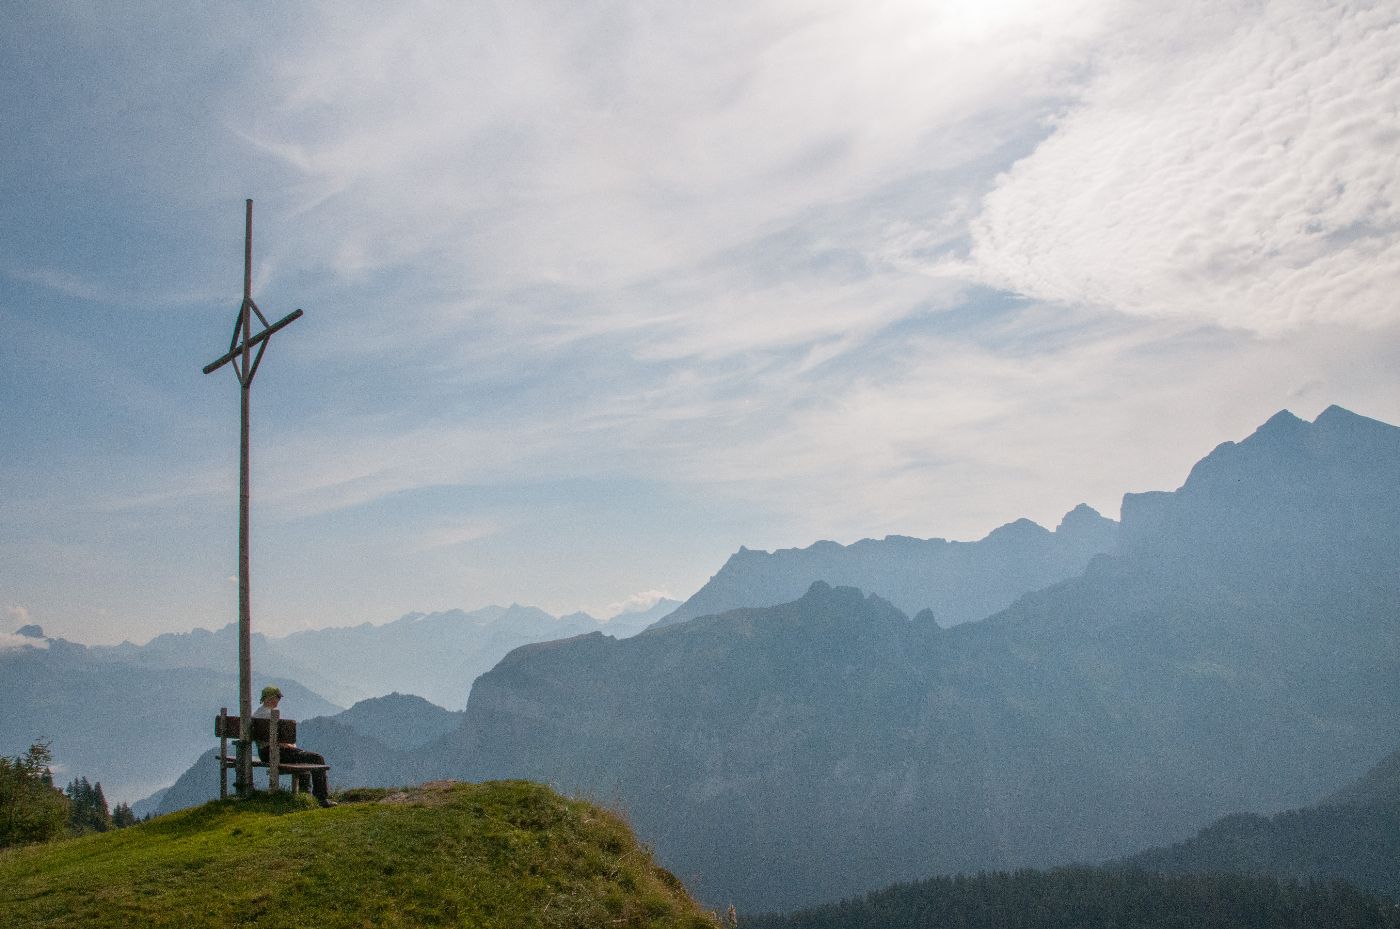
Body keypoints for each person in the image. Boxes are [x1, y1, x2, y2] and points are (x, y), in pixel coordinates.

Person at [253, 686, 336, 807]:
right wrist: (291, 746)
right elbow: (281, 741)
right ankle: (321, 798)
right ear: (269, 698)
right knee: (317, 758)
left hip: (264, 754)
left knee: (303, 759)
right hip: (277, 753)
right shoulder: (271, 715)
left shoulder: (256, 714)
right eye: (277, 698)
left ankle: (305, 794)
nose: (278, 701)